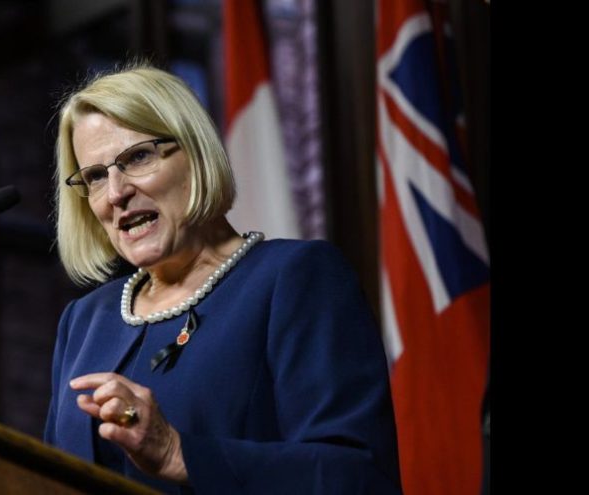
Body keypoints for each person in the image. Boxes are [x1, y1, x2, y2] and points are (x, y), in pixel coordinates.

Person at [43, 64, 402, 494]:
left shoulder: (294, 279)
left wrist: (180, 453)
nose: (116, 192)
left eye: (137, 157)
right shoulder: (85, 322)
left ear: (195, 154)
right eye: (96, 177)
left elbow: (358, 476)